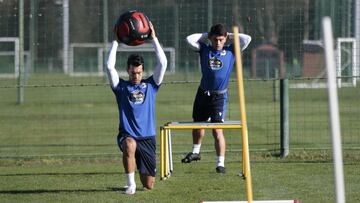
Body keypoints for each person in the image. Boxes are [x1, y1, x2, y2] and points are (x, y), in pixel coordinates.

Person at [106, 23, 167, 195]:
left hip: (147, 138)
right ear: (127, 70)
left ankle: (139, 166)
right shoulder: (121, 87)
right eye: (133, 73)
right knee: (129, 145)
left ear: (142, 71)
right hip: (128, 135)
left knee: (148, 185)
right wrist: (116, 41)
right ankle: (130, 184)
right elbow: (110, 67)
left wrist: (153, 38)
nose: (136, 76)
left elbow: (163, 63)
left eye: (139, 73)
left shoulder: (151, 85)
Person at [181, 23, 251, 174]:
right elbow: (189, 39)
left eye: (220, 39)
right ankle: (196, 152)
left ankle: (220, 163)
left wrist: (229, 36)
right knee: (197, 124)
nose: (217, 43)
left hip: (219, 97)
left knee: (217, 130)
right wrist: (207, 35)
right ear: (210, 39)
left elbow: (247, 39)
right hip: (202, 93)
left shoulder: (231, 50)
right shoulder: (205, 49)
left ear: (225, 38)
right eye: (215, 40)